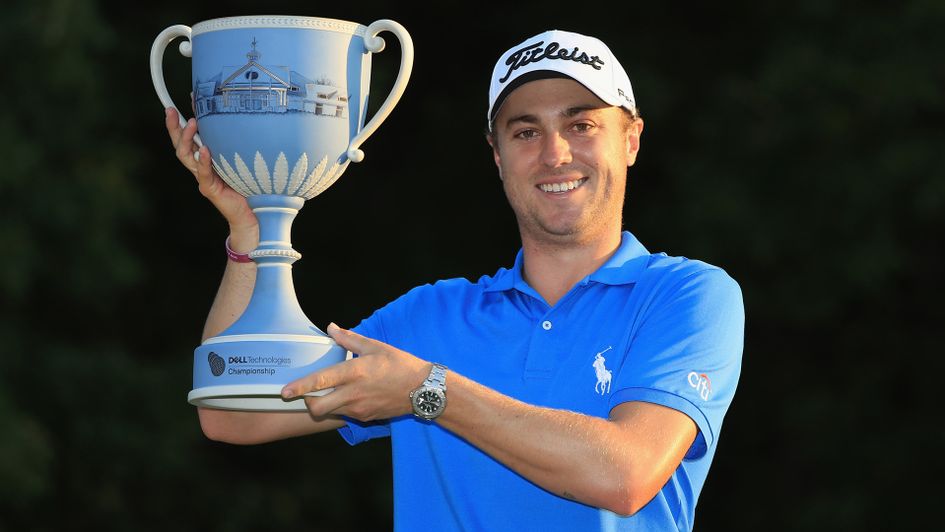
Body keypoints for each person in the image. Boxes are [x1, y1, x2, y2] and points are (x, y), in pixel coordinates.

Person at [166, 29, 744, 531]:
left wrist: (428, 391)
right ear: (496, 156)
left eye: (582, 124)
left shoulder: (687, 295)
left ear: (631, 140)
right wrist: (250, 233)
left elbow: (623, 474)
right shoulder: (430, 318)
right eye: (524, 132)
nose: (555, 153)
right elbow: (234, 413)